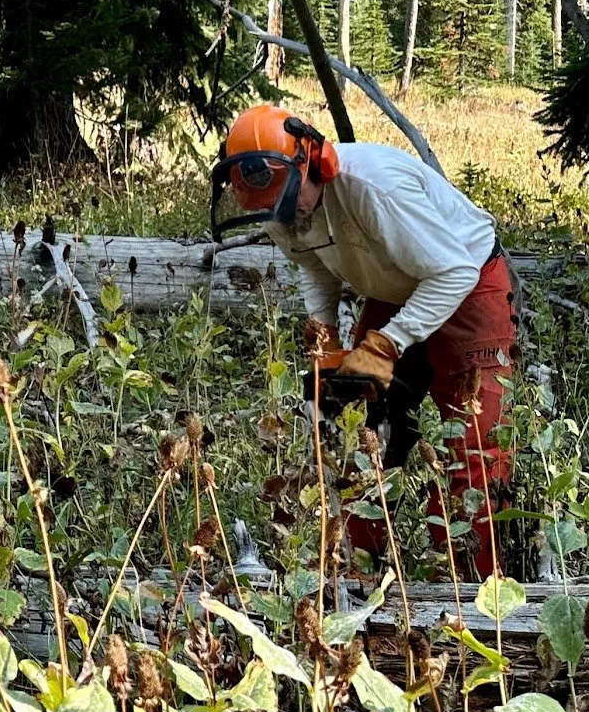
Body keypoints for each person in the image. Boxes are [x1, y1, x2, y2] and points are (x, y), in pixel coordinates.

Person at [211, 104, 518, 580]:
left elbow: (453, 270)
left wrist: (386, 344)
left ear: (314, 162)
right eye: (273, 210)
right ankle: (357, 570)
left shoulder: (373, 188)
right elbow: (313, 264)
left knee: (473, 446)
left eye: (289, 204)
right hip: (392, 290)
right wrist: (326, 334)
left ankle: (472, 587)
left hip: (466, 282)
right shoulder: (279, 205)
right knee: (360, 429)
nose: (284, 218)